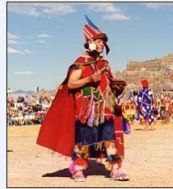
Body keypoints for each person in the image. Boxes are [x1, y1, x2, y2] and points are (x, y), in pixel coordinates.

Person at [37, 15, 129, 182]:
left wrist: (116, 87)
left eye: (103, 42)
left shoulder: (104, 64)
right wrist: (89, 79)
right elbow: (71, 84)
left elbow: (108, 82)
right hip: (86, 111)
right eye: (99, 41)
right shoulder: (81, 63)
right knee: (84, 143)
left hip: (106, 109)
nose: (102, 45)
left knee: (109, 140)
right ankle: (77, 169)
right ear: (90, 42)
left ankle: (115, 170)